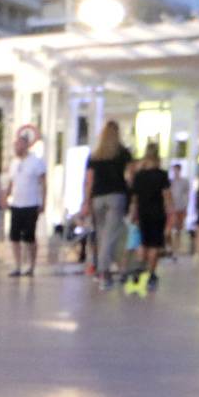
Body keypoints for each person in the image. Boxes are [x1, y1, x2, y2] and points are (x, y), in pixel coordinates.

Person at [81, 119, 130, 283]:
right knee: (111, 234)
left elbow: (89, 181)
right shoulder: (123, 153)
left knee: (102, 235)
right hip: (117, 196)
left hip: (98, 197)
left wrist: (86, 201)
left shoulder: (95, 155)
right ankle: (104, 270)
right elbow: (130, 177)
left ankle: (106, 267)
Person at [5, 125, 46, 276]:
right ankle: (17, 264)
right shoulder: (14, 163)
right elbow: (11, 182)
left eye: (19, 144)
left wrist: (43, 202)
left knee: (29, 236)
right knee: (14, 236)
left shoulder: (36, 161)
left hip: (31, 203)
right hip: (17, 203)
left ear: (26, 145)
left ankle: (31, 265)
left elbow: (43, 182)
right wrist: (6, 196)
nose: (16, 147)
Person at [129, 142, 170, 289]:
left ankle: (139, 267)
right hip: (158, 213)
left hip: (142, 213)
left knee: (142, 242)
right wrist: (171, 213)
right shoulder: (162, 175)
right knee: (154, 244)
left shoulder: (139, 176)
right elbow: (166, 196)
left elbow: (134, 198)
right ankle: (151, 274)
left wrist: (133, 214)